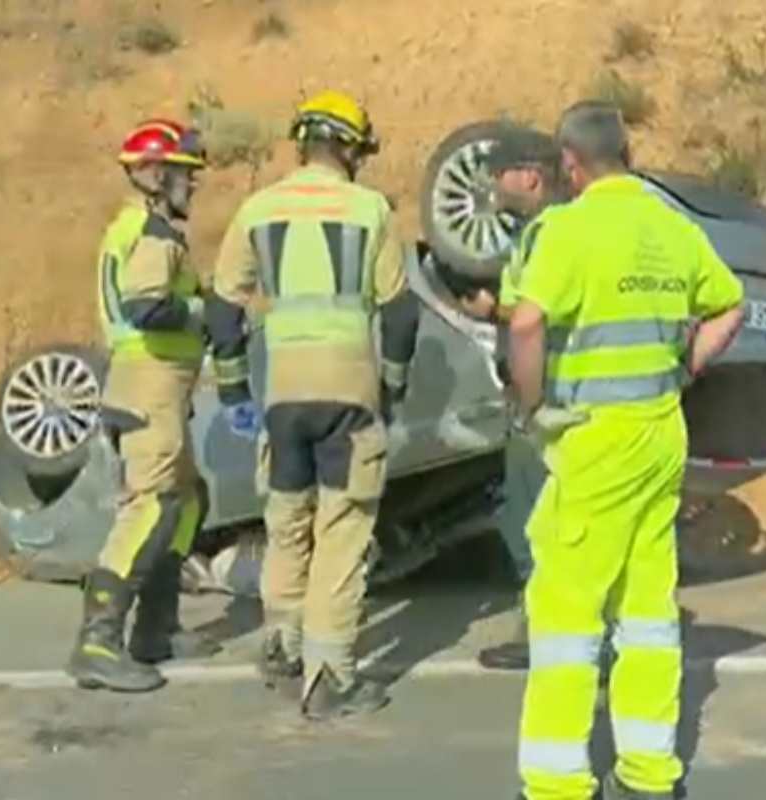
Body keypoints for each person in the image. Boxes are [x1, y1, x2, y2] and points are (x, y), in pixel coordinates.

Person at [508, 100, 746, 800]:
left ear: (570, 165)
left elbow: (525, 324)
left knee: (564, 616)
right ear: (628, 153)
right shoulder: (672, 228)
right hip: (659, 431)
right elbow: (727, 307)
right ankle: (648, 773)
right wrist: (682, 368)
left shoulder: (569, 229)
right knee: (647, 612)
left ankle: (556, 783)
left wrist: (528, 406)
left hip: (593, 438)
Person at [207, 89, 420, 720]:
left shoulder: (258, 209)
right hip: (349, 393)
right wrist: (393, 384)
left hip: (283, 397)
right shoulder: (369, 209)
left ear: (302, 142)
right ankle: (329, 678)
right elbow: (400, 311)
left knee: (287, 522)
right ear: (351, 148)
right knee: (342, 529)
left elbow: (224, 309)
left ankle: (281, 646)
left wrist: (233, 390)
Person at [65, 118, 222, 693]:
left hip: (153, 384)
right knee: (152, 506)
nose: (193, 186)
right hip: (148, 383)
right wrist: (210, 313)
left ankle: (156, 629)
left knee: (185, 501)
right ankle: (97, 643)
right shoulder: (153, 234)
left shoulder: (134, 228)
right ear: (156, 176)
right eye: (186, 175)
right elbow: (148, 308)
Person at [452, 125, 570, 671]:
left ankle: (541, 633)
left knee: (531, 520)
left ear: (530, 174)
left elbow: (534, 319)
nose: (495, 186)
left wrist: (487, 313)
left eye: (500, 174)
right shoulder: (567, 228)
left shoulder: (547, 234)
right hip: (579, 396)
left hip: (547, 397)